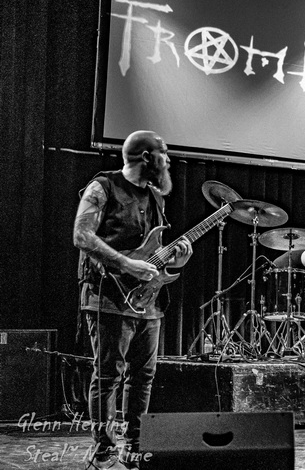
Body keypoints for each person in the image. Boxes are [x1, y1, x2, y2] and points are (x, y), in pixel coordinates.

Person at [74, 131, 193, 469]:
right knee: (108, 375)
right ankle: (104, 449)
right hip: (107, 295)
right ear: (146, 157)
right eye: (164, 152)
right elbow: (81, 235)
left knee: (144, 376)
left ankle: (136, 447)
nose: (168, 160)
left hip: (148, 300)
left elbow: (155, 253)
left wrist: (178, 258)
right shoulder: (102, 187)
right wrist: (126, 264)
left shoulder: (156, 197)